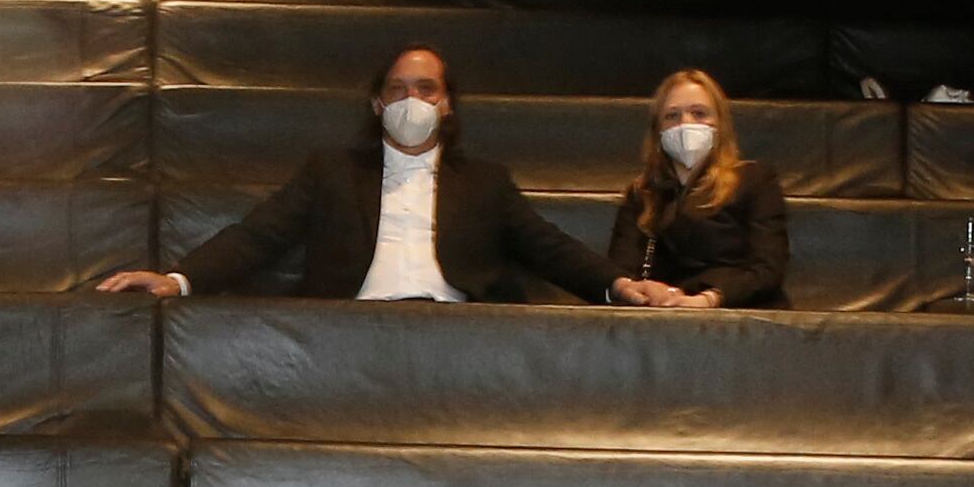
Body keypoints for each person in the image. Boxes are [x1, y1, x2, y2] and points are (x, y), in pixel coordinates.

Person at [97, 43, 612, 303]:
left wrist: (621, 288)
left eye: (427, 89)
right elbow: (258, 236)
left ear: (448, 104)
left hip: (456, 332)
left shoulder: (487, 181)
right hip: (352, 331)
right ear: (376, 102)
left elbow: (552, 249)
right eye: (398, 89)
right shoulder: (331, 171)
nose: (413, 100)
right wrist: (177, 280)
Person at [608, 70, 789, 309]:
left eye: (699, 113)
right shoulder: (642, 193)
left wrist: (709, 299)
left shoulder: (755, 180)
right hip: (663, 316)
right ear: (657, 130)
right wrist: (643, 289)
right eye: (672, 116)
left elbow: (768, 268)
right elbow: (621, 268)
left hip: (738, 314)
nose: (685, 124)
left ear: (720, 124)